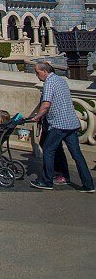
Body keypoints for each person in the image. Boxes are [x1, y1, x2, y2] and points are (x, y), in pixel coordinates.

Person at [29, 62, 94, 192]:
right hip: (72, 123)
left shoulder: (49, 83)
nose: (36, 75)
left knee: (48, 150)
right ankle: (88, 184)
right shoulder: (61, 80)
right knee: (76, 154)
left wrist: (37, 116)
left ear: (45, 71)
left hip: (59, 124)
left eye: (37, 72)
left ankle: (47, 181)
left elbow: (46, 104)